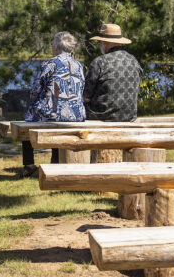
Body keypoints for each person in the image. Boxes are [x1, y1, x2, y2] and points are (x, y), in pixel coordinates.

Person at [21, 31, 86, 175]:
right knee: (56, 116)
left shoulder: (48, 64)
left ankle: (29, 163)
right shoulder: (79, 66)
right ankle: (55, 161)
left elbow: (35, 92)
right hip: (76, 115)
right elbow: (81, 90)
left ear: (56, 47)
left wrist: (34, 102)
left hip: (52, 114)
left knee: (29, 117)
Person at [83, 23, 141, 122]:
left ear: (105, 43)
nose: (99, 44)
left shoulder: (100, 62)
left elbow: (86, 97)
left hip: (101, 116)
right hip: (129, 116)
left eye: (100, 42)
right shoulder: (134, 61)